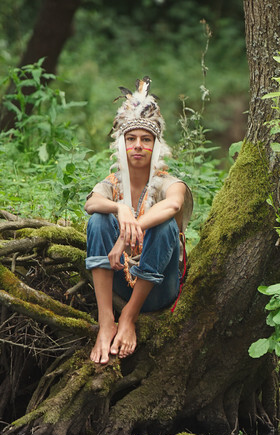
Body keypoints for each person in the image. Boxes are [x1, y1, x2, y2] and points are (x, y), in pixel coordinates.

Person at [85, 77, 193, 364]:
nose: (138, 146)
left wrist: (129, 232)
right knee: (98, 219)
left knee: (164, 223)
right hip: (119, 281)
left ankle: (129, 318)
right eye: (131, 139)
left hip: (158, 289)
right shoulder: (113, 183)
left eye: (146, 140)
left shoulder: (169, 183)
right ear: (122, 144)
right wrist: (121, 209)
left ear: (155, 146)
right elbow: (91, 203)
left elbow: (173, 204)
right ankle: (106, 320)